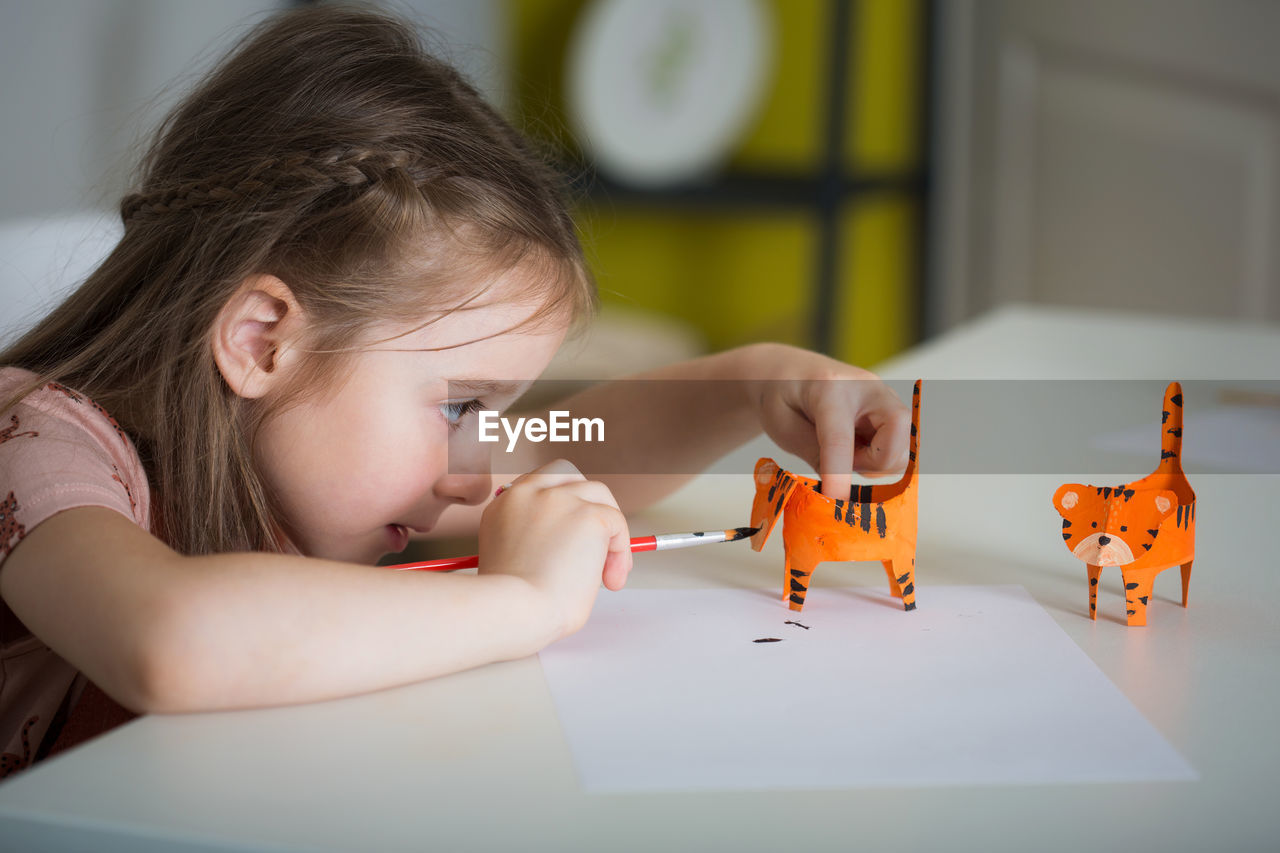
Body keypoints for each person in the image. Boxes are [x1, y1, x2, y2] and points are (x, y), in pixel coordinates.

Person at [0, 5, 908, 777]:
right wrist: (522, 603)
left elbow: (571, 448)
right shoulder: (37, 445)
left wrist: (748, 384)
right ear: (261, 341)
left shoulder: (310, 457)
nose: (474, 471)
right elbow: (173, 643)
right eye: (458, 410)